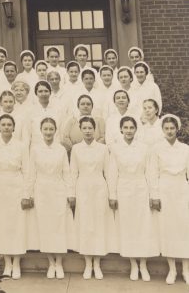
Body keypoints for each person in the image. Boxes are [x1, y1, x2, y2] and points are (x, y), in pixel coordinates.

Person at [109, 116, 159, 282]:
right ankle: (133, 264)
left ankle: (143, 264)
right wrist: (113, 195)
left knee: (142, 225)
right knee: (128, 226)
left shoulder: (145, 148)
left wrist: (153, 195)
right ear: (121, 129)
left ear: (136, 130)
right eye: (126, 127)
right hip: (123, 189)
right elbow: (112, 173)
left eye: (132, 127)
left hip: (141, 189)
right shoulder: (115, 149)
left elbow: (150, 173)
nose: (129, 130)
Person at [70, 117, 117, 280]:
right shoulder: (76, 149)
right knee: (85, 224)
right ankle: (87, 263)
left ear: (95, 129)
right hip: (82, 187)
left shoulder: (103, 149)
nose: (88, 131)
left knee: (98, 224)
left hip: (99, 188)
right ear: (81, 130)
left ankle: (97, 264)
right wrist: (72, 194)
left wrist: (112, 194)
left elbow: (109, 173)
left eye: (90, 128)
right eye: (85, 128)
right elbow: (73, 172)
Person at [28, 117, 74, 279]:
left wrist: (70, 193)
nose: (48, 132)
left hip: (58, 190)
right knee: (45, 225)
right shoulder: (35, 150)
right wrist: (30, 194)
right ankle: (50, 263)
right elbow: (31, 173)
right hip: (41, 190)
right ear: (41, 131)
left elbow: (66, 172)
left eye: (51, 129)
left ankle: (59, 262)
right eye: (45, 129)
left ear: (55, 131)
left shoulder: (61, 150)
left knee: (59, 225)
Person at [149, 114, 189, 285]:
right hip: (165, 190)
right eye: (166, 128)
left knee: (184, 229)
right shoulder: (156, 149)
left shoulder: (186, 149)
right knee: (168, 229)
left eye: (172, 128)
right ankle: (172, 269)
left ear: (177, 129)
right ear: (162, 130)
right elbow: (152, 174)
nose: (170, 131)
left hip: (182, 190)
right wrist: (155, 196)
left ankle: (186, 270)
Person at [0, 114, 29, 279]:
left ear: (14, 127)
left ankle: (17, 263)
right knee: (3, 224)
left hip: (16, 185)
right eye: (3, 124)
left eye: (9, 124)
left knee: (17, 224)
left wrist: (26, 194)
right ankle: (7, 263)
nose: (6, 127)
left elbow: (27, 171)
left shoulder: (21, 146)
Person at [30, 81, 62, 147]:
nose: (43, 94)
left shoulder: (57, 109)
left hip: (54, 145)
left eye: (46, 91)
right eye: (40, 91)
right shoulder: (31, 110)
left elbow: (60, 130)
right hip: (36, 146)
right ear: (36, 93)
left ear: (50, 92)